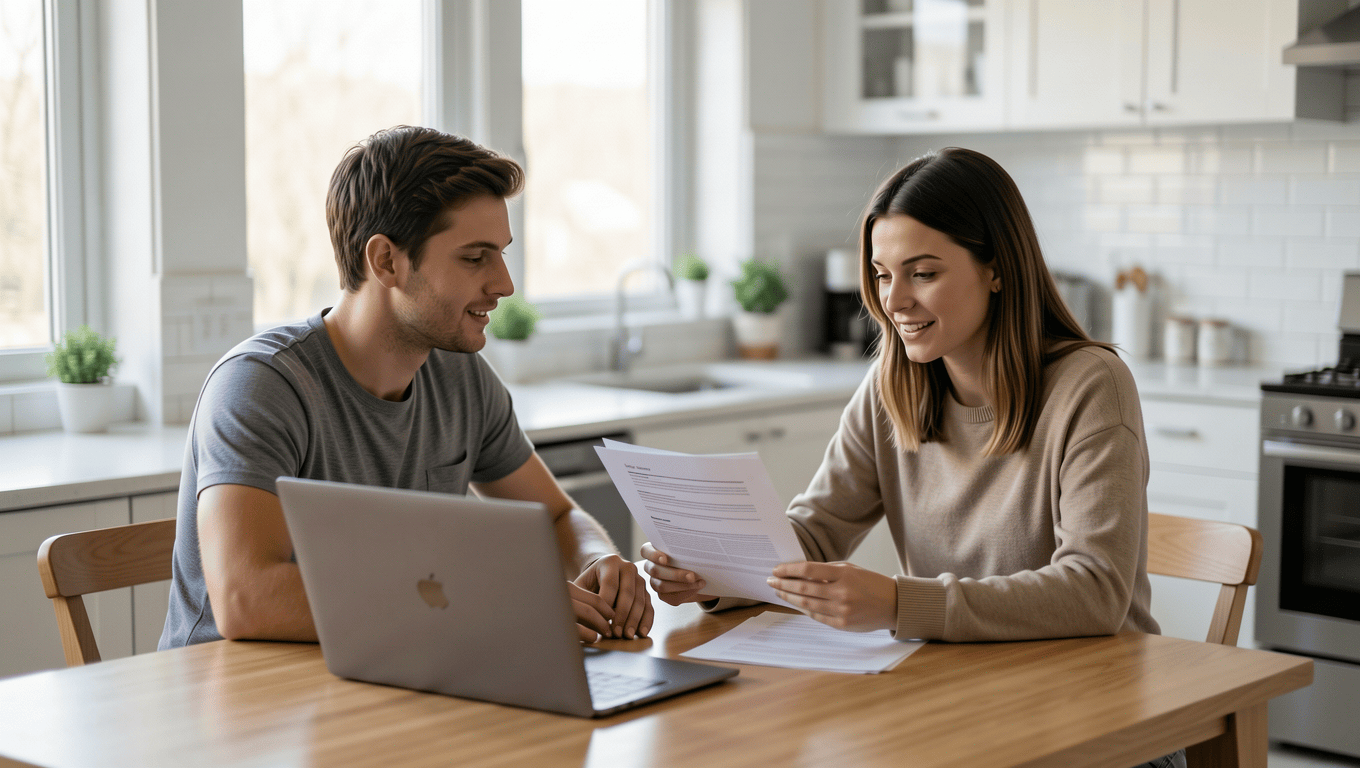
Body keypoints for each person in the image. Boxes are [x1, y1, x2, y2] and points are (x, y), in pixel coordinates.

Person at [645, 146, 1180, 766]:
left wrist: (900, 604)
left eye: (922, 273)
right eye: (880, 273)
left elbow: (1095, 591)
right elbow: (814, 536)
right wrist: (716, 573)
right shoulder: (892, 385)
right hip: (964, 702)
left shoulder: (1089, 385)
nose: (892, 301)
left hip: (1104, 722)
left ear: (998, 269)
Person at [160, 125, 651, 650]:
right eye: (474, 257)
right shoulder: (260, 386)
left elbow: (554, 516)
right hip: (240, 707)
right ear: (386, 261)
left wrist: (597, 560)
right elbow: (247, 599)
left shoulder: (459, 377)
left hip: (387, 676)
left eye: (502, 254)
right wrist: (486, 602)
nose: (504, 284)